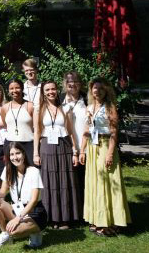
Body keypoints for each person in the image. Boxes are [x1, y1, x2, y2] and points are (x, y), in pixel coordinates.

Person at [81, 78, 131, 236]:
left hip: (105, 146)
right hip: (92, 147)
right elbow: (86, 130)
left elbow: (114, 133)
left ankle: (111, 222)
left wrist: (110, 153)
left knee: (107, 183)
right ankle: (97, 219)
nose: (97, 91)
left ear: (106, 91)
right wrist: (82, 151)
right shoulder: (89, 107)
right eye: (94, 88)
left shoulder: (110, 107)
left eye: (100, 89)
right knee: (95, 183)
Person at [33, 80, 81, 229]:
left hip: (64, 147)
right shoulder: (39, 109)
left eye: (53, 89)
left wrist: (74, 151)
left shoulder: (65, 108)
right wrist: (36, 153)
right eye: (47, 90)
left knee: (65, 182)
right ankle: (52, 218)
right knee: (49, 183)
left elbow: (71, 131)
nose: (51, 92)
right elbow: (37, 132)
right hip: (47, 147)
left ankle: (65, 218)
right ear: (43, 92)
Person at [0, 142, 47, 248]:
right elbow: (2, 192)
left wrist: (17, 219)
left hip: (34, 211)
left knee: (14, 232)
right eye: (12, 154)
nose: (15, 157)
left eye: (18, 153)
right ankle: (5, 234)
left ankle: (36, 231)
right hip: (18, 208)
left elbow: (34, 200)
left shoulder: (33, 171)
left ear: (24, 154)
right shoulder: (8, 170)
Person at [62, 71, 88, 210]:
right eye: (69, 82)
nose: (72, 84)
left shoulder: (87, 99)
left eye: (75, 81)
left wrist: (81, 150)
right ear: (65, 84)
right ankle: (74, 210)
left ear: (80, 83)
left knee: (85, 180)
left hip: (86, 146)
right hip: (67, 147)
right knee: (71, 181)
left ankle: (86, 209)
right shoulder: (59, 100)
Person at [3, 79, 36, 163]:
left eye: (17, 87)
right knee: (13, 173)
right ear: (8, 90)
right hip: (10, 144)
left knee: (31, 170)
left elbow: (36, 128)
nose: (14, 90)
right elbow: (5, 126)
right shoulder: (5, 107)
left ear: (22, 88)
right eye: (11, 88)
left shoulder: (30, 106)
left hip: (28, 144)